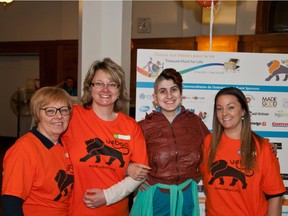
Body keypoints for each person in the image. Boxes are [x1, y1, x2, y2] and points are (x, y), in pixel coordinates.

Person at [61, 57, 149, 216]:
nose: (105, 89)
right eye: (99, 83)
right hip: (74, 210)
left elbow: (141, 174)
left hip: (115, 211)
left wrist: (107, 196)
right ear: (90, 87)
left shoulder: (130, 126)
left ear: (120, 90)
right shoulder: (73, 116)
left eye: (112, 84)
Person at [130, 68, 210, 216]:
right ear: (155, 97)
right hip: (156, 197)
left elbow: (212, 151)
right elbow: (124, 157)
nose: (169, 96)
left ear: (181, 94)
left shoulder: (195, 122)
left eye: (173, 90)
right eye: (162, 91)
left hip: (187, 197)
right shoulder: (144, 126)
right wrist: (132, 172)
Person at [200, 87, 286, 216]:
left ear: (243, 111)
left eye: (231, 107)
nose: (224, 113)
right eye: (219, 108)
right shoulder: (208, 142)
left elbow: (275, 196)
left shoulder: (262, 147)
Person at [2, 87, 74, 216]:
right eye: (50, 111)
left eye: (64, 110)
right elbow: (11, 202)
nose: (59, 116)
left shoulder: (63, 145)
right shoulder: (23, 149)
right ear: (37, 114)